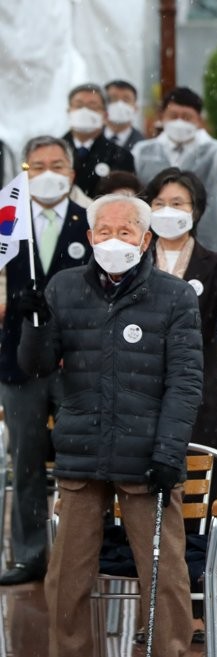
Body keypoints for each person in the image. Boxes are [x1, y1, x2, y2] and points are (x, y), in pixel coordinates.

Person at [18, 194, 203, 657]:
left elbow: (185, 381)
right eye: (105, 231)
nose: (114, 240)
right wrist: (32, 322)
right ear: (89, 237)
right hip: (82, 450)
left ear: (145, 239)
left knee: (164, 575)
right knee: (67, 578)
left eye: (125, 232)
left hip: (149, 457)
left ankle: (170, 650)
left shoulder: (174, 295)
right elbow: (37, 367)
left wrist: (168, 450)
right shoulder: (62, 288)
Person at [140, 167, 217, 641]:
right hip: (141, 396)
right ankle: (154, 610)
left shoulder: (214, 264)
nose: (171, 212)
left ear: (197, 212)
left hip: (198, 398)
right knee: (145, 506)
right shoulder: (134, 258)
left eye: (181, 203)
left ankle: (194, 607)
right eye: (162, 202)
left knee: (196, 501)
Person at [0, 136, 93, 586]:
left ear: (72, 173)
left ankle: (84, 553)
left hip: (77, 360)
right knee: (27, 461)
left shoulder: (89, 221)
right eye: (38, 166)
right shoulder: (7, 223)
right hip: (18, 361)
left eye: (57, 164)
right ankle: (31, 554)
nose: (49, 172)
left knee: (84, 460)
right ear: (25, 172)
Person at [132, 86, 217, 254]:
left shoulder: (212, 150)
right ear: (162, 117)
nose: (179, 122)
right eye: (174, 116)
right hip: (155, 237)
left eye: (186, 117)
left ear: (198, 120)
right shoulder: (143, 151)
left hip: (205, 238)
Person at [63, 83, 135, 199]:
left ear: (105, 115)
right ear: (69, 112)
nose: (84, 111)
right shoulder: (54, 151)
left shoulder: (121, 156)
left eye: (92, 106)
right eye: (79, 105)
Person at [103, 79, 146, 151]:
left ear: (135, 107)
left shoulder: (143, 144)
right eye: (113, 99)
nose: (120, 105)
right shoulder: (90, 138)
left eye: (126, 100)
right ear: (103, 105)